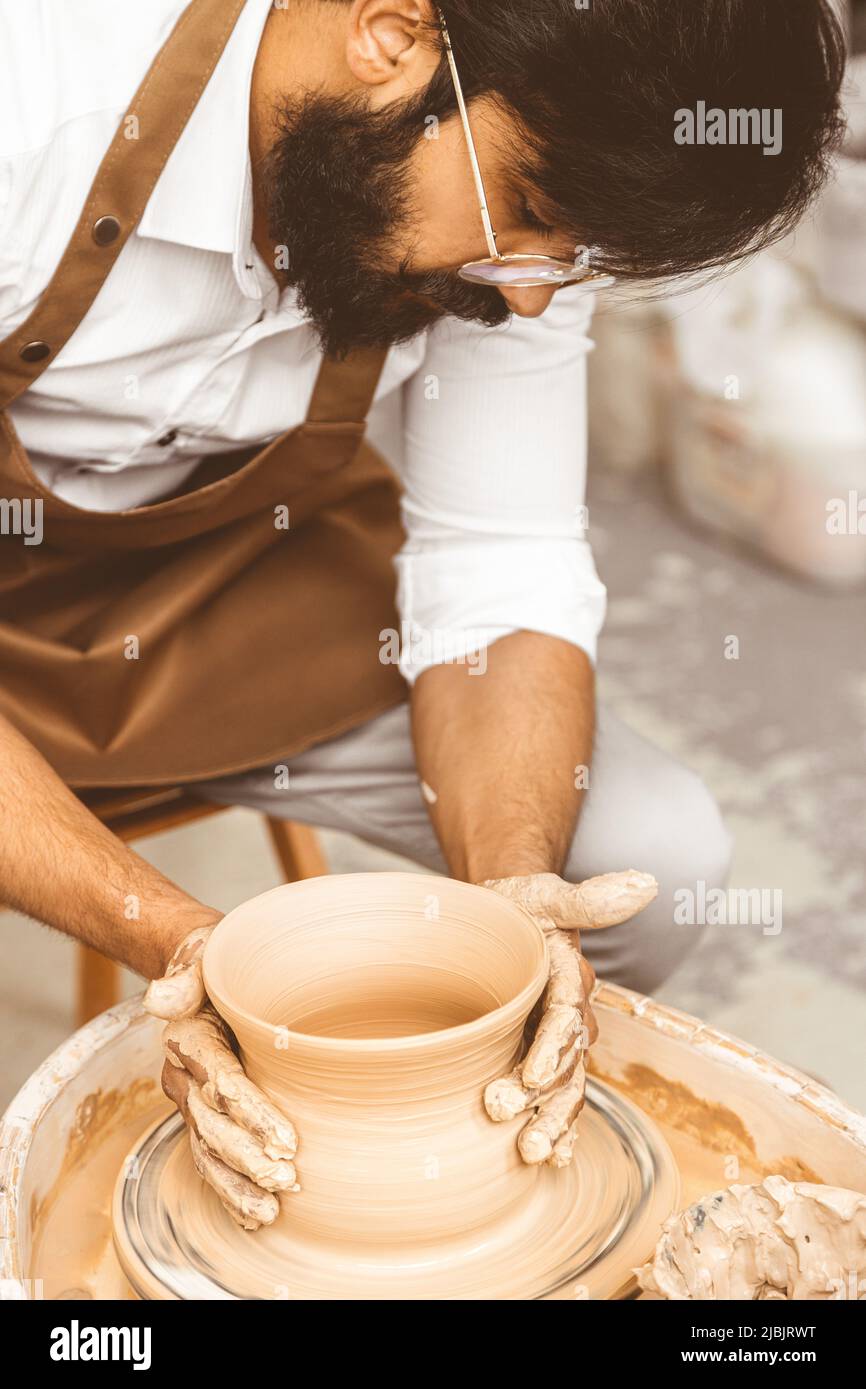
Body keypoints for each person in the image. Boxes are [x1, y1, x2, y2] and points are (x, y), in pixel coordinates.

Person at [0, 0, 845, 1227]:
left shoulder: (497, 235)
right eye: (537, 217)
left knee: (649, 857)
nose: (541, 299)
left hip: (223, 601)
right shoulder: (34, 97)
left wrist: (507, 893)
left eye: (579, 256)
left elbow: (499, 565)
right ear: (390, 35)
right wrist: (180, 940)